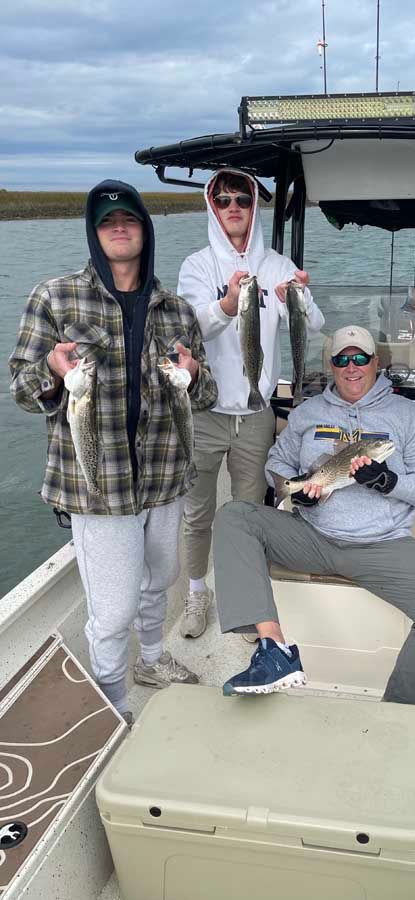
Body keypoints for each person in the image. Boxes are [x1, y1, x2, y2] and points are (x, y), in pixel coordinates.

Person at [9, 181, 218, 725]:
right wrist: (53, 373)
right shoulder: (54, 297)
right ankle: (112, 705)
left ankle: (151, 659)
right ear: (94, 232)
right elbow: (22, 390)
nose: (118, 227)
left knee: (161, 577)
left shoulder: (177, 310)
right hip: (96, 487)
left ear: (145, 229)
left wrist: (193, 377)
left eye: (129, 218)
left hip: (166, 479)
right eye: (106, 221)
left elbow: (209, 394)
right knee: (113, 610)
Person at [212, 325, 415, 711]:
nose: (352, 367)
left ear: (376, 363)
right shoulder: (309, 413)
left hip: (383, 546)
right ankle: (274, 649)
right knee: (234, 517)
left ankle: (402, 711)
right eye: (342, 359)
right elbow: (277, 464)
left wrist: (387, 481)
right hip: (311, 535)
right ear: (331, 366)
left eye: (360, 358)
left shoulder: (409, 416)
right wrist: (301, 492)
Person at [176, 167, 325, 639]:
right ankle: (198, 591)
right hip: (206, 414)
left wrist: (298, 293)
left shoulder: (277, 264)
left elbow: (316, 323)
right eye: (223, 200)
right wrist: (227, 305)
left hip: (258, 414)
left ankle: (241, 600)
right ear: (212, 207)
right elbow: (191, 327)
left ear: (254, 206)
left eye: (242, 198)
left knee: (243, 517)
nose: (234, 207)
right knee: (198, 514)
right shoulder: (197, 266)